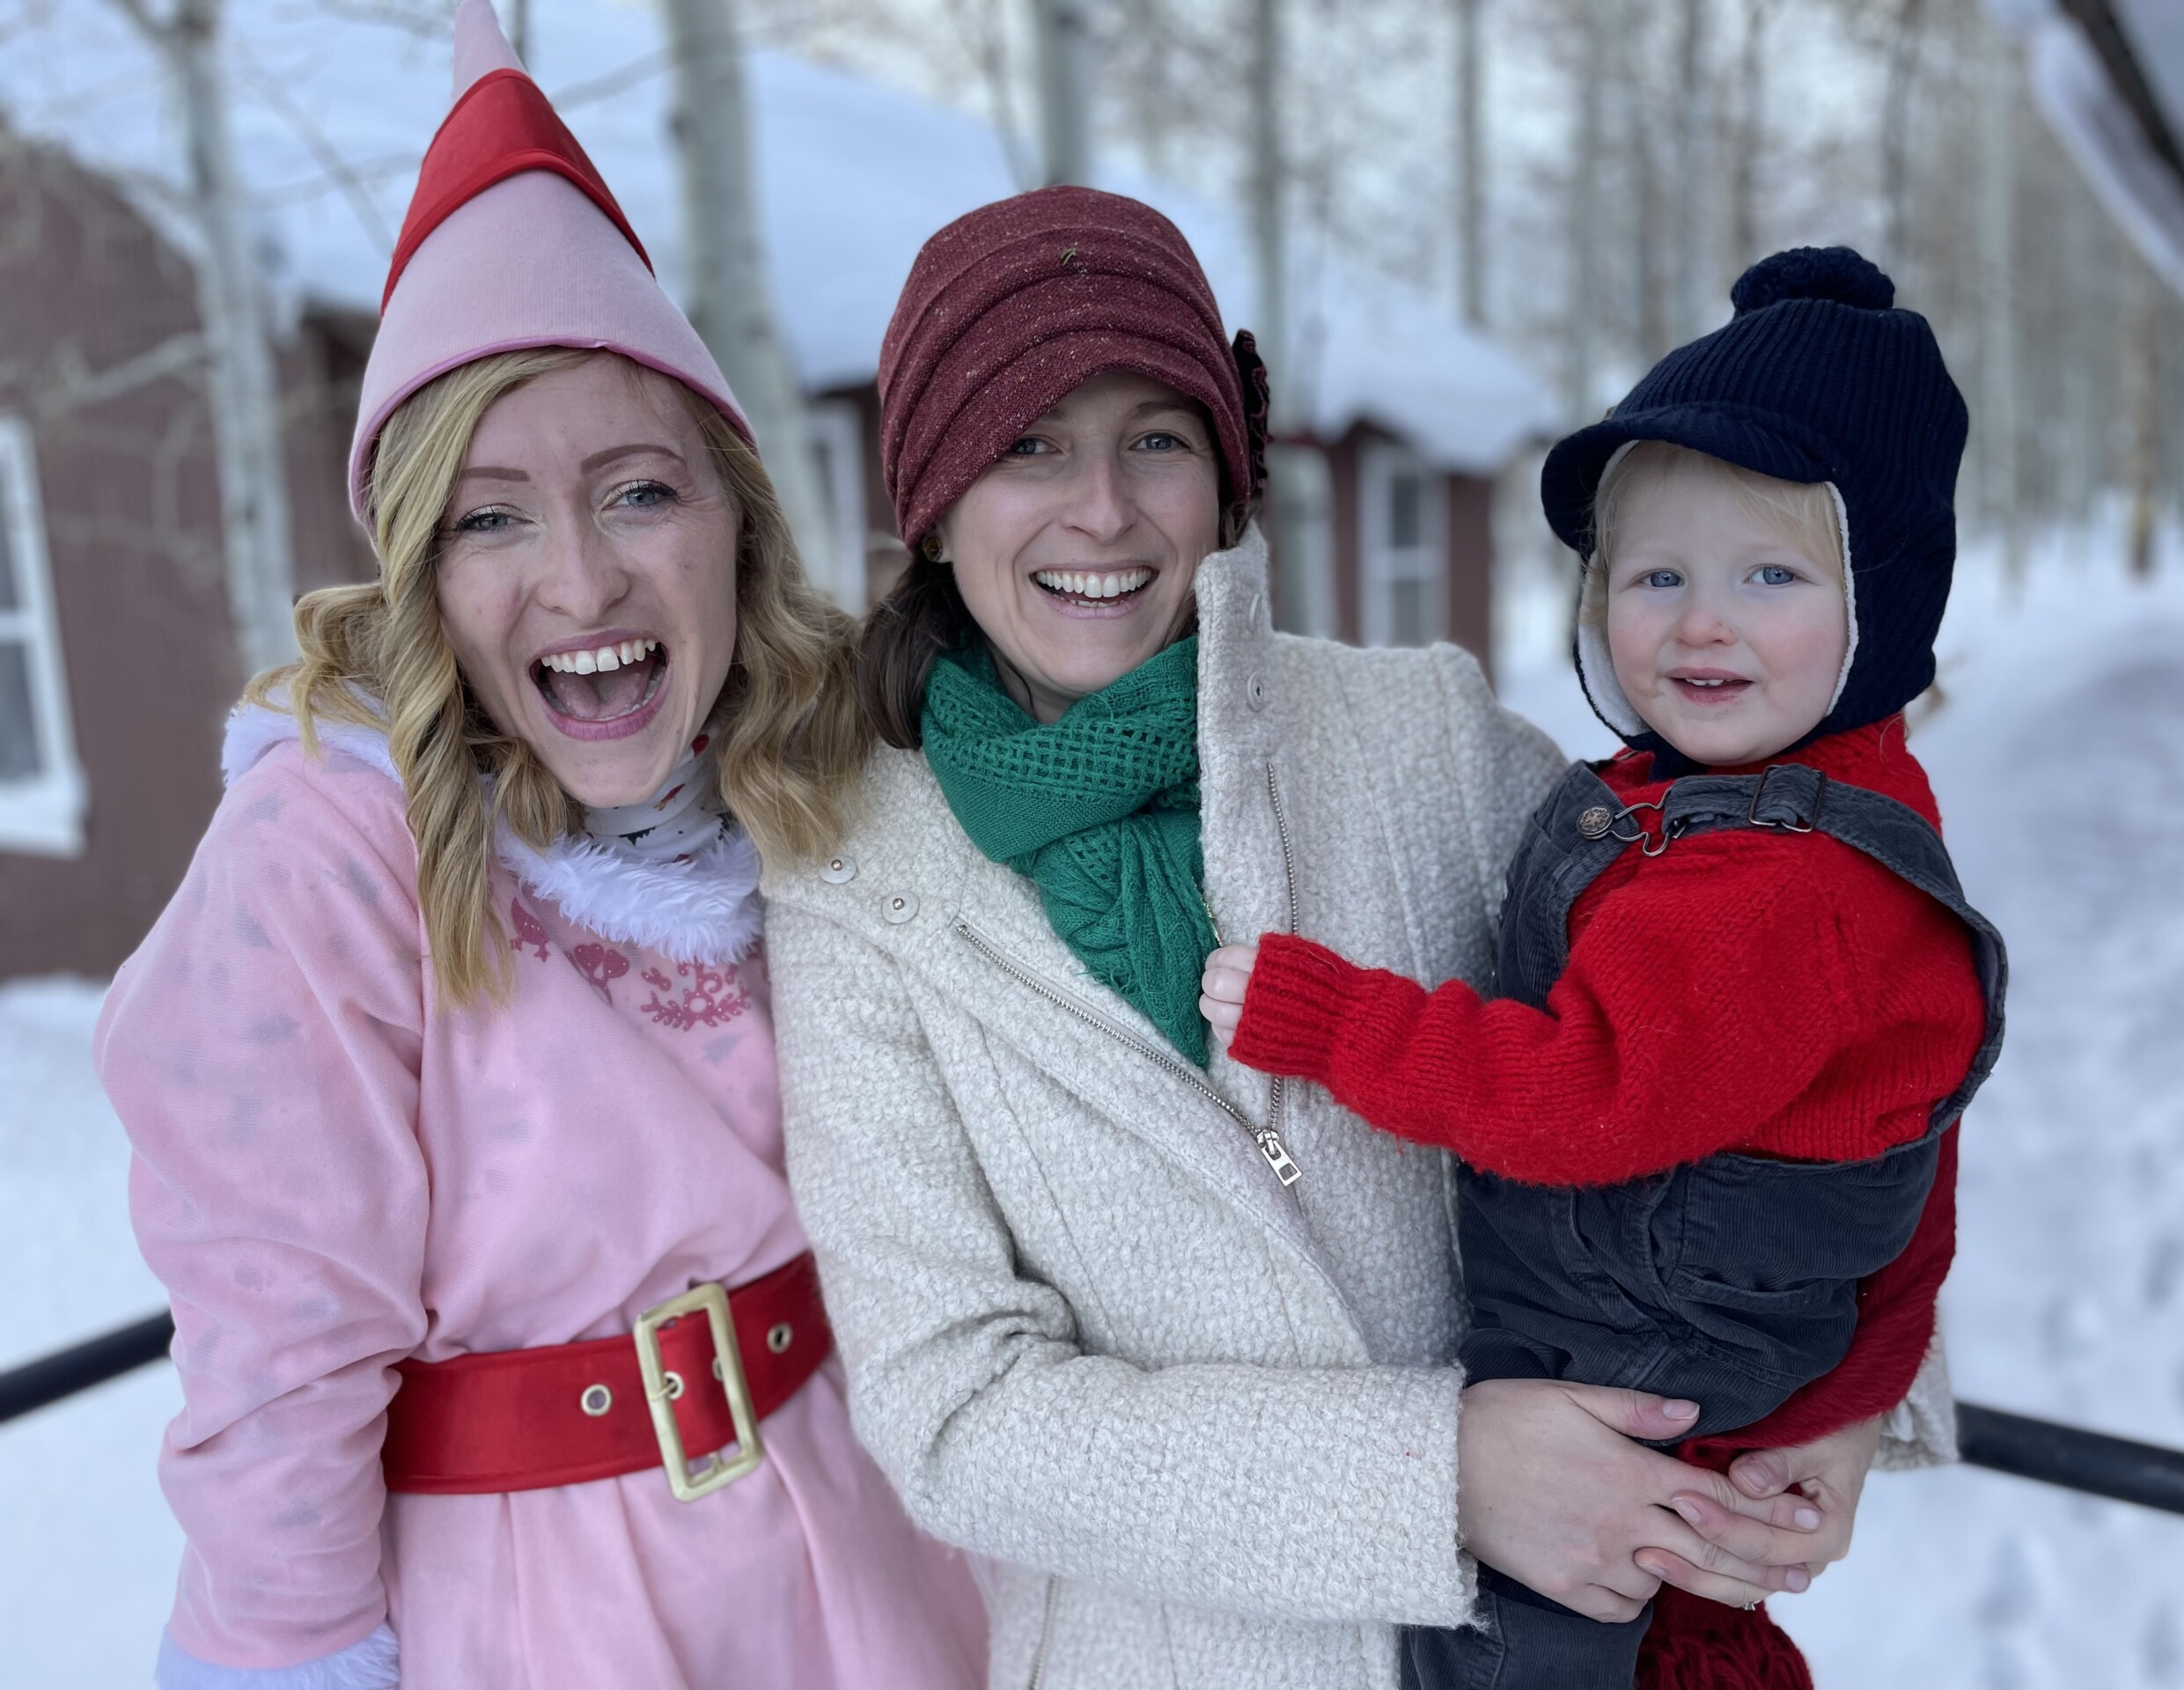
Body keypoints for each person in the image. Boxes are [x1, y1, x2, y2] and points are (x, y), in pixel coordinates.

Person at [764, 193, 1956, 1690]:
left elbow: (1805, 1007)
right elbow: (956, 1413)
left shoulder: (1414, 733)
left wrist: (1851, 1401)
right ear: (931, 497)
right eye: (1028, 445)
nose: (1104, 511)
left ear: (1228, 474)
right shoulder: (852, 880)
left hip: (1595, 1626)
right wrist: (1438, 1476)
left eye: (1156, 438)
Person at [95, 5, 985, 1685]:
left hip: (866, 1543)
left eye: (641, 493)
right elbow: (278, 1338)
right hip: (544, 1602)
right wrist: (284, 1655)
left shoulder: (812, 772)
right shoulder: (328, 843)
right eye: (491, 516)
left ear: (737, 521)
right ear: (421, 574)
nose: (578, 584)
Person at [1202, 246, 2004, 1690]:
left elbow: (1586, 1094)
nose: (1701, 621)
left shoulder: (1779, 887)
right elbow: (1903, 1164)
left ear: (1884, 604)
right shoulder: (1766, 799)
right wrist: (1863, 1383)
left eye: (1771, 575)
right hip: (1717, 1372)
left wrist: (1334, 1023)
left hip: (1632, 1380)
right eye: (1657, 574)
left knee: (1519, 1644)